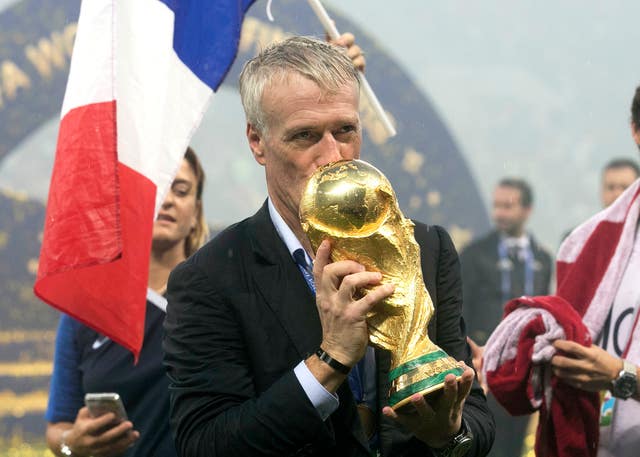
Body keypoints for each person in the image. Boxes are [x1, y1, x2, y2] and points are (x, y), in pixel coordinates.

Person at [163, 36, 494, 457]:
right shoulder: (211, 278)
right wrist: (330, 360)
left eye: (345, 131)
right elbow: (206, 445)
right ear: (257, 141)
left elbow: (477, 422)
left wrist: (450, 435)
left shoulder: (424, 248)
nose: (333, 155)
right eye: (304, 136)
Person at [483, 85, 640, 457]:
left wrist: (624, 378)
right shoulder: (585, 245)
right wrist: (516, 357)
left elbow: (615, 372)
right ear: (636, 131)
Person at [44, 147, 208, 457]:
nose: (168, 200)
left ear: (196, 210)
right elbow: (58, 429)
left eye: (181, 190)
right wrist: (72, 444)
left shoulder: (220, 295)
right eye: (156, 188)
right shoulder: (86, 309)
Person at [459, 178, 552, 457]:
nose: (499, 212)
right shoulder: (474, 254)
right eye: (496, 205)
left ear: (527, 209)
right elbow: (461, 313)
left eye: (507, 206)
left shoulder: (543, 260)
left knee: (517, 445)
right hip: (484, 368)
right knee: (489, 444)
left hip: (526, 371)